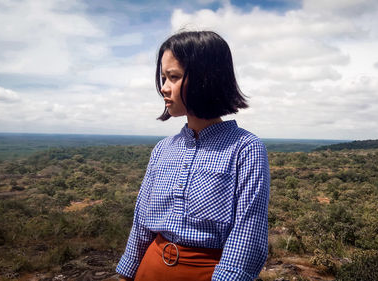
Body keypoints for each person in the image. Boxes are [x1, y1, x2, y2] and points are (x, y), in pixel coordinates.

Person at [116, 30, 270, 281]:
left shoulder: (245, 148)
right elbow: (142, 222)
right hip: (150, 269)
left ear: (205, 79)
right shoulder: (163, 149)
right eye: (163, 78)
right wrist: (127, 273)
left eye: (173, 77)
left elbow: (248, 234)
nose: (164, 88)